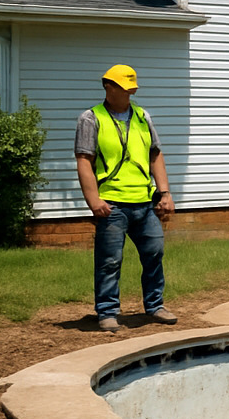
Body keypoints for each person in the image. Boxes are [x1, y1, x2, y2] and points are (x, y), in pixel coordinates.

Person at [75, 65, 177, 332]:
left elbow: (155, 154)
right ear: (108, 87)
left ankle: (155, 306)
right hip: (112, 204)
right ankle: (107, 312)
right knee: (109, 261)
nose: (130, 92)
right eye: (125, 87)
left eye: (133, 87)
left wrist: (164, 192)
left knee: (154, 254)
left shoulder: (142, 116)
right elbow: (84, 160)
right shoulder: (91, 118)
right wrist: (93, 200)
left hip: (144, 203)